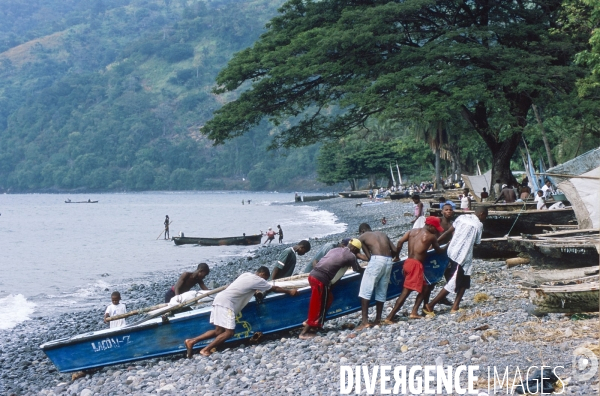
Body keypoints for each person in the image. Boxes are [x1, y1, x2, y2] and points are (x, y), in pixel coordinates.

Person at [184, 267, 299, 357]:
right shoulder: (257, 280)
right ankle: (205, 349)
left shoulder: (246, 275)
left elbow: (242, 288)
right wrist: (289, 292)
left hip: (219, 298)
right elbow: (273, 288)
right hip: (227, 303)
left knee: (218, 331)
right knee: (229, 333)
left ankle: (192, 341)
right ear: (262, 275)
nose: (263, 281)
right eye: (264, 278)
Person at [425, 207, 488, 314]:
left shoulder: (461, 217)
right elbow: (477, 243)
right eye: (485, 216)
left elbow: (447, 232)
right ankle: (431, 305)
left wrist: (433, 245)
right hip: (461, 256)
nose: (485, 219)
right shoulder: (478, 225)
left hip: (453, 251)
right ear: (481, 214)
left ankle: (455, 306)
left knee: (465, 280)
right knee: (453, 281)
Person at [383, 217, 447, 322]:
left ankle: (414, 312)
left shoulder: (412, 232)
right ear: (430, 226)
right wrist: (447, 246)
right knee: (405, 292)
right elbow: (439, 251)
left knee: (425, 288)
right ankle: (390, 317)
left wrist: (397, 256)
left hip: (408, 263)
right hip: (416, 265)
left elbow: (399, 242)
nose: (436, 230)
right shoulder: (430, 236)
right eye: (435, 228)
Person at [299, 239, 364, 339]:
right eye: (358, 251)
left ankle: (315, 325)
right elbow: (357, 269)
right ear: (355, 249)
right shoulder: (351, 255)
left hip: (312, 275)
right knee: (318, 305)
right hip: (321, 279)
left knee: (328, 298)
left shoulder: (335, 250)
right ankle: (305, 332)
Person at [355, 223, 397, 330]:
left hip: (376, 261)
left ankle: (365, 321)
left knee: (365, 290)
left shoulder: (364, 235)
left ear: (363, 231)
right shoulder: (383, 234)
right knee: (381, 290)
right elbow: (395, 250)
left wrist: (360, 256)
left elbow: (353, 246)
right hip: (388, 261)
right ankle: (378, 319)